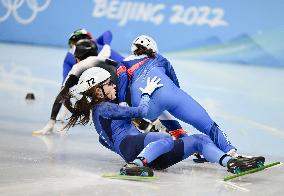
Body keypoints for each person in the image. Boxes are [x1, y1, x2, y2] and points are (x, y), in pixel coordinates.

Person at [62, 67, 265, 176]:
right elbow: (142, 110)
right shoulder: (103, 108)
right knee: (164, 139)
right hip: (136, 148)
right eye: (108, 84)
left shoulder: (102, 112)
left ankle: (231, 162)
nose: (113, 87)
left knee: (199, 140)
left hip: (146, 151)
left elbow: (104, 141)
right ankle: (134, 165)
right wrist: (147, 93)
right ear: (97, 89)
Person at [117, 35, 239, 157]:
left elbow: (122, 83)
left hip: (143, 104)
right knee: (207, 124)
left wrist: (123, 104)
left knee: (161, 111)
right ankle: (230, 151)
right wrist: (176, 99)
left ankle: (182, 138)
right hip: (170, 94)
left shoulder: (123, 63)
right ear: (153, 49)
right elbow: (174, 83)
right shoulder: (159, 58)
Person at [32, 28, 124, 135]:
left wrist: (107, 45)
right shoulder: (71, 58)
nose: (73, 47)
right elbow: (64, 85)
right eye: (72, 44)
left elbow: (107, 33)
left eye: (74, 43)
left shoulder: (97, 46)